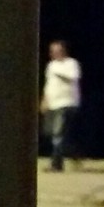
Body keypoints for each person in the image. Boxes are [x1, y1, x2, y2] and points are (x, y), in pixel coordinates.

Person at [42, 40, 82, 171]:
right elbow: (48, 85)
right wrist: (44, 100)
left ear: (64, 51)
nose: (54, 53)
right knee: (51, 133)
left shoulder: (71, 63)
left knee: (58, 134)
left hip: (67, 103)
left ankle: (56, 164)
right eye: (52, 51)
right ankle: (74, 153)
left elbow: (74, 77)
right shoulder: (51, 65)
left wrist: (60, 75)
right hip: (52, 104)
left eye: (57, 50)